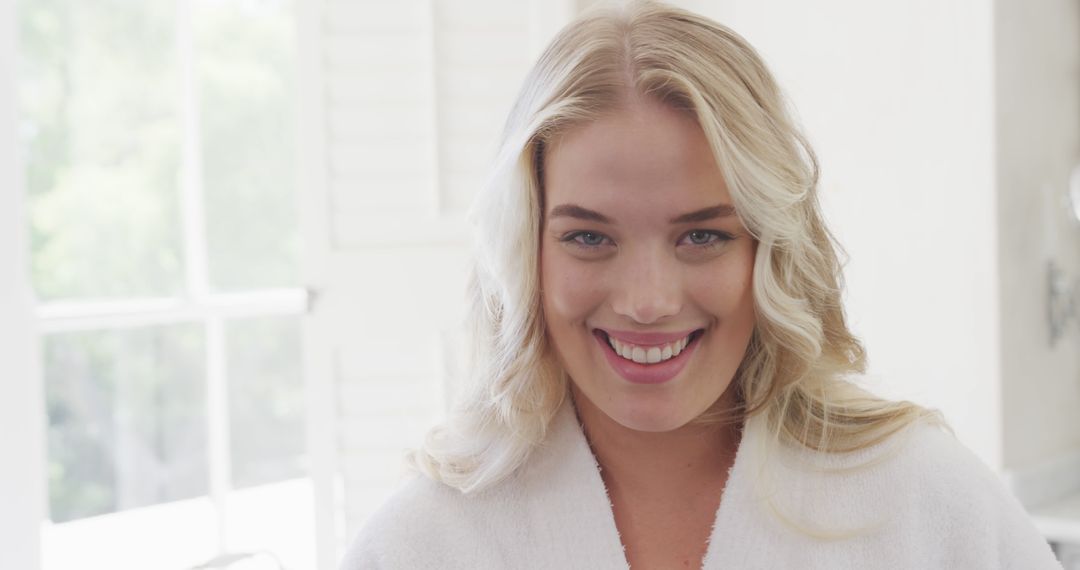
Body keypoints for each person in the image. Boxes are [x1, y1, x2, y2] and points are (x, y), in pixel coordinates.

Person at [342, 1, 1062, 568]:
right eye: (588, 237)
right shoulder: (424, 545)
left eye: (703, 235)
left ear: (768, 251)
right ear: (523, 251)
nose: (647, 300)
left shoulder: (925, 504)